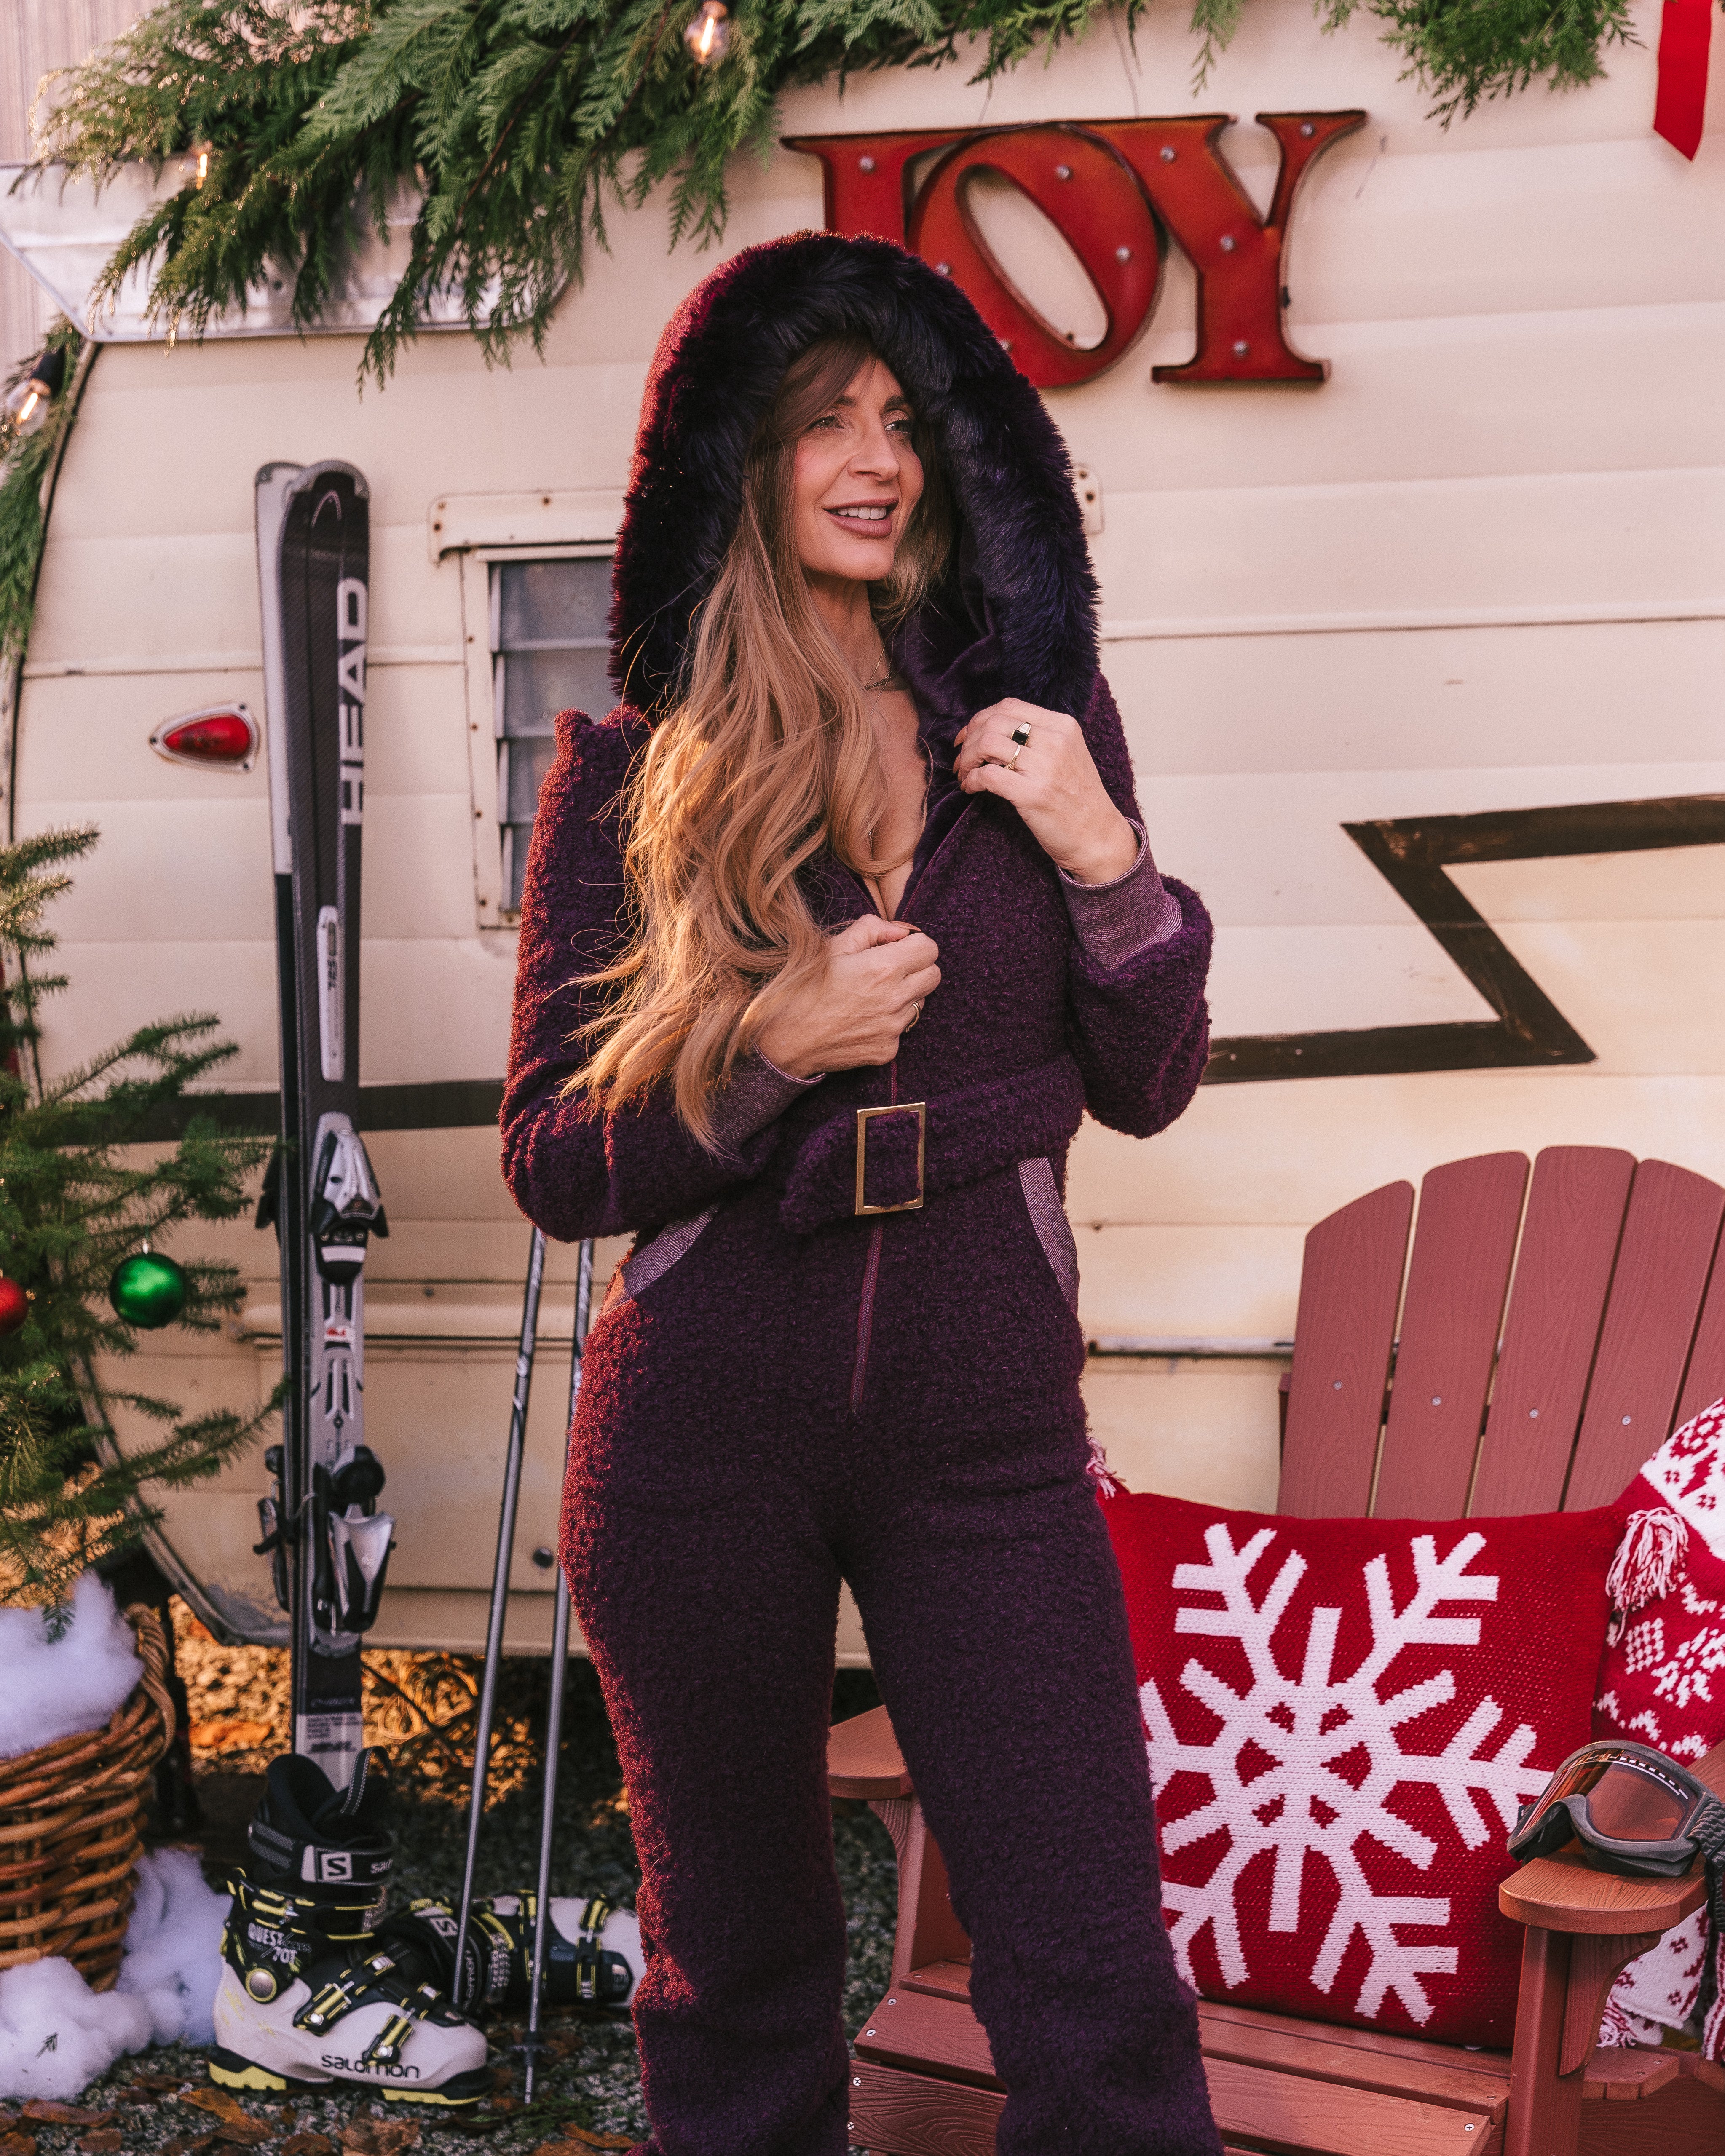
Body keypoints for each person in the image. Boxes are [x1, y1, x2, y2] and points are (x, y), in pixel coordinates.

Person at [503, 232, 1220, 2156]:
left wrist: (1101, 854)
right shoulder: (630, 779)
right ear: (742, 456)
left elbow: (1148, 1079)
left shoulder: (1040, 737)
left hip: (984, 1435)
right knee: (731, 1971)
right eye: (824, 417)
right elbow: (555, 1158)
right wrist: (771, 1049)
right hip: (696, 1431)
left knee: (1090, 1969)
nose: (872, 455)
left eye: (903, 418)